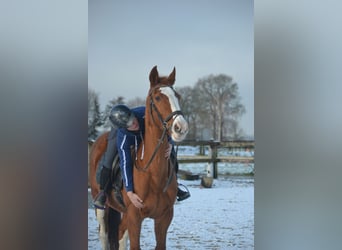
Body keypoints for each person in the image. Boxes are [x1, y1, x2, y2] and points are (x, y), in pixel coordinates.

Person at [93, 104, 190, 209]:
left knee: (168, 152)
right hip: (121, 135)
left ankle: (175, 185)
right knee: (109, 159)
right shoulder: (123, 136)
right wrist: (129, 191)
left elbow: (165, 126)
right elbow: (126, 163)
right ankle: (103, 192)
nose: (134, 123)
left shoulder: (146, 114)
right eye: (129, 124)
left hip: (145, 129)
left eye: (133, 119)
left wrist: (170, 142)